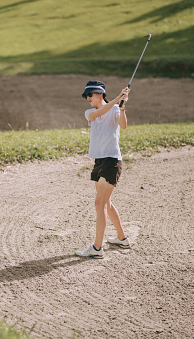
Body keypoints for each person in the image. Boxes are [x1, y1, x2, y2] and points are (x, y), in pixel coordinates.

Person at [75, 80, 131, 259]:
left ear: (100, 93)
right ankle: (122, 239)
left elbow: (123, 125)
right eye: (86, 96)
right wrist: (117, 99)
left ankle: (97, 248)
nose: (88, 98)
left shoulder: (115, 109)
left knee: (99, 204)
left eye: (90, 94)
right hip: (99, 161)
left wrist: (122, 106)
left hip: (112, 161)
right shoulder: (90, 113)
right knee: (105, 203)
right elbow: (99, 113)